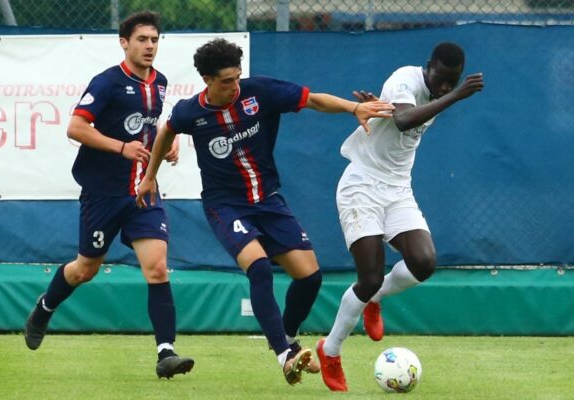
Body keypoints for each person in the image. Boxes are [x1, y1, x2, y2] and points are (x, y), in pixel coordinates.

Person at [135, 38, 395, 385]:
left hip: (268, 201)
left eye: (237, 77)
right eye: (226, 81)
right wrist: (150, 176)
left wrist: (353, 108)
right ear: (207, 80)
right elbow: (167, 130)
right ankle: (285, 355)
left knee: (310, 276)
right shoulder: (190, 112)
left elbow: (313, 100)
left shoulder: (259, 92)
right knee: (259, 269)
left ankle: (286, 335)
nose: (234, 86)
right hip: (224, 206)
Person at [23, 11, 194, 379]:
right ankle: (45, 307)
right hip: (103, 193)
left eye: (154, 39)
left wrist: (170, 141)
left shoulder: (160, 82)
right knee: (86, 269)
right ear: (124, 42)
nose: (150, 46)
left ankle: (166, 352)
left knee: (158, 267)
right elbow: (76, 127)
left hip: (143, 190)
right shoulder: (107, 82)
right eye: (142, 40)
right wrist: (121, 148)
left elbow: (155, 125)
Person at [316, 42, 484, 391]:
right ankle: (330, 349)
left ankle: (374, 300)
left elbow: (402, 117)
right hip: (361, 183)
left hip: (397, 190)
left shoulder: (437, 91)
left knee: (424, 262)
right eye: (440, 79)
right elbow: (405, 120)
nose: (444, 87)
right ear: (428, 66)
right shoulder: (405, 79)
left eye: (451, 83)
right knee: (370, 275)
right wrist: (456, 96)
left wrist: (445, 95)